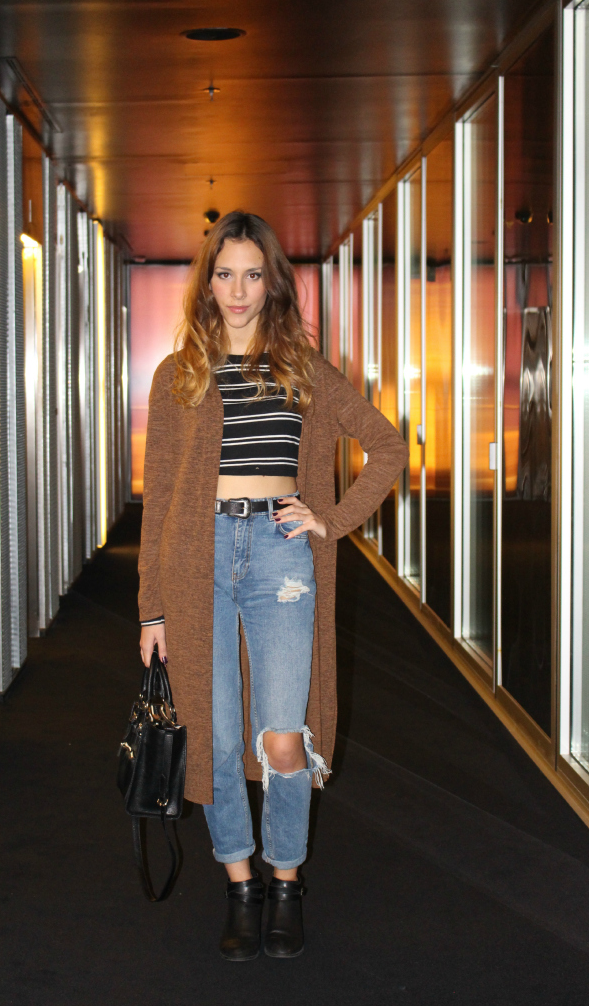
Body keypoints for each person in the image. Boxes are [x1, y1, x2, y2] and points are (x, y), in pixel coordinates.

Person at [138, 211, 408, 961]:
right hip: (196, 559)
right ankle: (240, 883)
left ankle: (286, 879)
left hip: (281, 557)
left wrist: (330, 518)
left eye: (252, 275)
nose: (237, 290)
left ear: (272, 284)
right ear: (207, 283)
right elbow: (159, 502)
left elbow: (386, 445)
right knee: (217, 736)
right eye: (225, 274)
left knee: (284, 736)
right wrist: (151, 608)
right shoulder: (179, 375)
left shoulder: (303, 370)